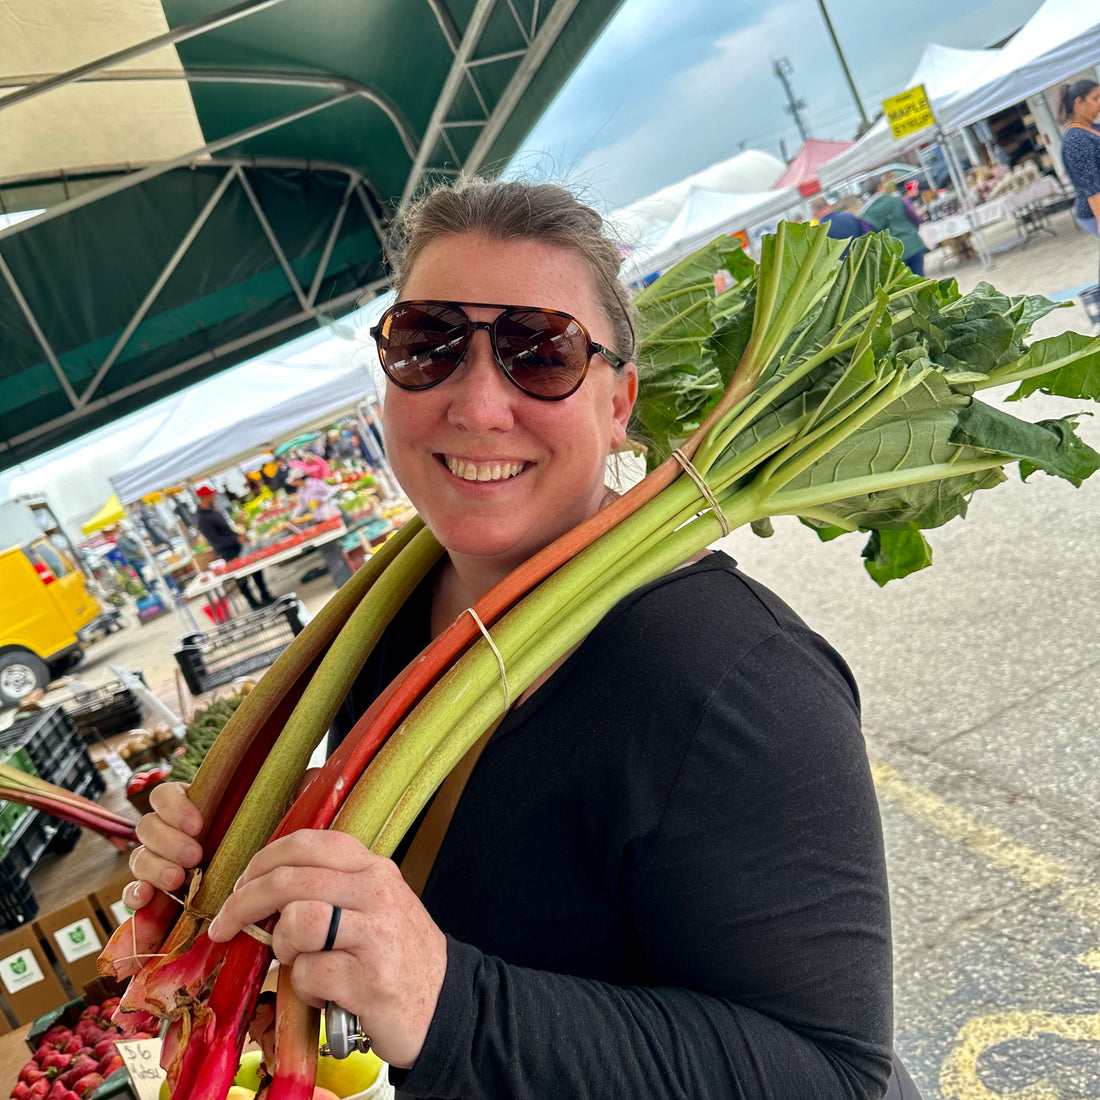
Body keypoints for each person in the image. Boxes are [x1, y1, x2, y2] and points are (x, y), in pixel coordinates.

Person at [125, 177, 919, 1099]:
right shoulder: (384, 619)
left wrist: (449, 1000)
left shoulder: (735, 680)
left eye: (539, 354)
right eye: (427, 346)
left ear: (620, 401)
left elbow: (835, 1077)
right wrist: (249, 855)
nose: (477, 406)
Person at [193, 484, 274, 609]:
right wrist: (236, 538)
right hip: (227, 550)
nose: (214, 498)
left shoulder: (212, 511)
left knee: (255, 569)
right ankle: (253, 603)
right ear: (205, 497)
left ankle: (265, 594)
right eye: (211, 495)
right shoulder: (202, 518)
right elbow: (214, 540)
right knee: (241, 578)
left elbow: (226, 530)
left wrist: (239, 536)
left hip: (236, 545)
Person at [861, 175, 928, 276]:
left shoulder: (866, 212)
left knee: (904, 286)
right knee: (919, 278)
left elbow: (869, 237)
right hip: (913, 244)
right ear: (880, 187)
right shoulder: (897, 199)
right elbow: (915, 219)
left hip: (892, 254)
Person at [1059, 79, 1100, 236]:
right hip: (1094, 209)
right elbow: (1091, 185)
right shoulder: (1076, 139)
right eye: (1095, 98)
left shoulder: (1093, 128)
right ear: (1079, 103)